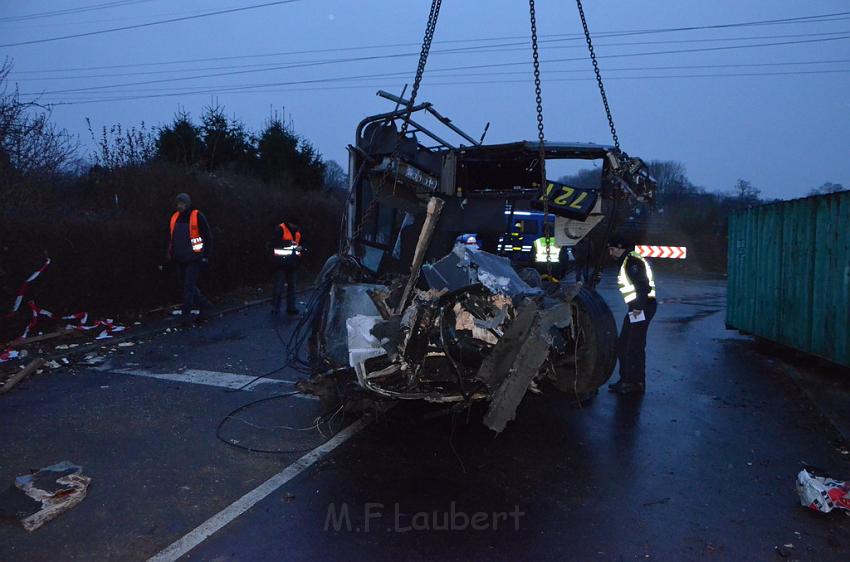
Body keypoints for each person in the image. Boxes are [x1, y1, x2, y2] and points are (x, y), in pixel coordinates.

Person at [607, 236, 657, 395]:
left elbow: (643, 286)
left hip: (641, 308)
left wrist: (637, 308)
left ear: (621, 248)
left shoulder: (632, 262)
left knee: (632, 345)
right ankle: (629, 380)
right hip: (640, 308)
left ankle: (632, 382)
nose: (611, 252)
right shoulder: (629, 260)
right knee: (627, 343)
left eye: (613, 249)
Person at [167, 193, 213, 323]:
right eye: (178, 203)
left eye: (181, 203)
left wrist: (205, 256)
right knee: (188, 286)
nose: (179, 206)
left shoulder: (197, 216)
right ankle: (205, 306)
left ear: (187, 204)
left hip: (194, 258)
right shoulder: (175, 217)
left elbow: (208, 237)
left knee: (188, 286)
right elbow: (170, 237)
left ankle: (186, 315)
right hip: (179, 258)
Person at [271, 219, 302, 315]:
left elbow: (303, 243)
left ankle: (291, 308)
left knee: (292, 287)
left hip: (293, 264)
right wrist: (288, 243)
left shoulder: (297, 232)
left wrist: (302, 247)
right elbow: (274, 243)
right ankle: (275, 308)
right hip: (281, 264)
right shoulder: (280, 229)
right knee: (279, 287)